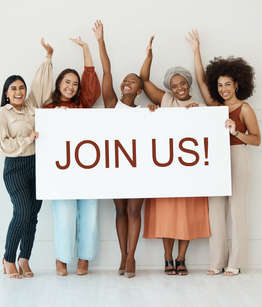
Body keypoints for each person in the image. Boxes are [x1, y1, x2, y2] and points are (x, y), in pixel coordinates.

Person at [187, 29, 261, 275]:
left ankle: (235, 263)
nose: (223, 89)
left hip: (238, 156)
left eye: (228, 84)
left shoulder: (245, 109)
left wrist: (236, 132)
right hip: (216, 159)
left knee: (237, 210)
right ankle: (216, 262)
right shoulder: (215, 106)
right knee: (216, 211)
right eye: (220, 85)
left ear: (237, 84)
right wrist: (197, 50)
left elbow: (257, 139)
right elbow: (200, 80)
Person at [140, 36, 210, 276]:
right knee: (167, 215)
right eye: (175, 85)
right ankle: (167, 257)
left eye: (183, 84)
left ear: (188, 85)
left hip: (189, 172)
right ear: (169, 88)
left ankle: (182, 258)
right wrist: (149, 54)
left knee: (187, 216)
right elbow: (144, 80)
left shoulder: (198, 107)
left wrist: (196, 116)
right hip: (166, 171)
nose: (180, 88)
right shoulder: (166, 100)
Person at [0, 38, 53, 278]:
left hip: (37, 166)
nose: (18, 92)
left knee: (33, 215)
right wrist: (27, 140)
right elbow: (2, 145)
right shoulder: (2, 115)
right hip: (16, 167)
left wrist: (48, 57)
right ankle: (8, 258)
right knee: (23, 211)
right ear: (6, 94)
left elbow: (41, 84)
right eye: (13, 89)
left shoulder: (31, 106)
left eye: (21, 88)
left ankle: (24, 259)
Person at [43, 35, 101, 276]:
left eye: (75, 84)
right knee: (64, 217)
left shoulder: (83, 106)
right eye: (67, 82)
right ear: (59, 84)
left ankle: (84, 259)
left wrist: (87, 48)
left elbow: (90, 81)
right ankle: (62, 259)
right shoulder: (46, 110)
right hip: (61, 171)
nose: (71, 87)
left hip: (86, 169)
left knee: (89, 215)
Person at [93, 20, 145, 278]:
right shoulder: (112, 103)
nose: (126, 82)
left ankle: (132, 257)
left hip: (138, 166)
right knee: (120, 210)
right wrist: (100, 41)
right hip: (115, 164)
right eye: (125, 80)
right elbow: (106, 71)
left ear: (139, 90)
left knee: (135, 210)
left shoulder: (147, 112)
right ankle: (123, 255)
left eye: (132, 81)